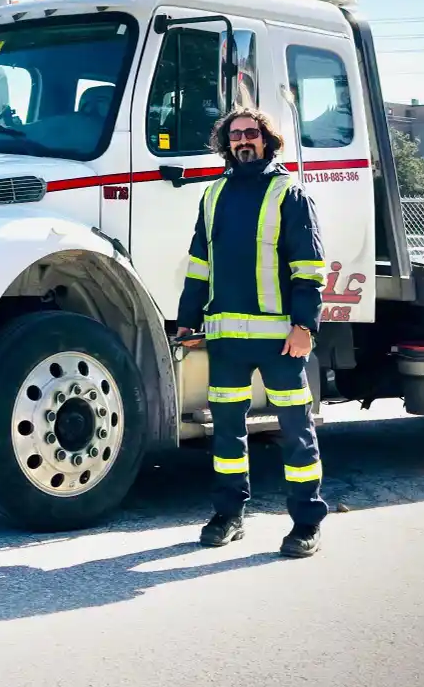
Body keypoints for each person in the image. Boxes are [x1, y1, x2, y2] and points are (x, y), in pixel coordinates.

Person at [175, 105, 329, 558]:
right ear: (227, 143)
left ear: (267, 140)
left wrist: (305, 326)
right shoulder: (213, 194)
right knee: (226, 434)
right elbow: (199, 264)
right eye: (236, 134)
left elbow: (308, 267)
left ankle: (306, 523)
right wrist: (187, 319)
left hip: (280, 341)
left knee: (295, 430)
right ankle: (228, 515)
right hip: (226, 341)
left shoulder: (289, 193)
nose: (243, 140)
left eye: (251, 133)